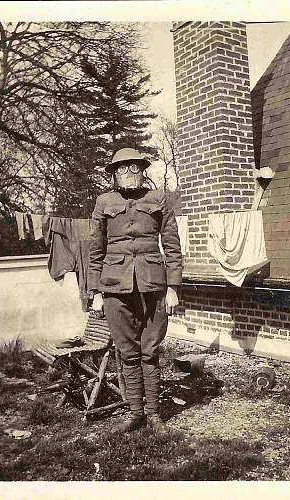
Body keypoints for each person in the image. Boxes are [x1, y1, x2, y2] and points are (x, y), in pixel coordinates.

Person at [88, 147, 182, 433]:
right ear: (114, 174)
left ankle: (153, 414)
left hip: (154, 286)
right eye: (122, 168)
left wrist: (174, 288)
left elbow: (173, 246)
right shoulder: (103, 201)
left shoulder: (158, 199)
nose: (130, 173)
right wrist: (96, 293)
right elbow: (95, 250)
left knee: (150, 351)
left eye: (135, 168)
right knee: (127, 352)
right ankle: (135, 413)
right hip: (115, 287)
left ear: (144, 171)